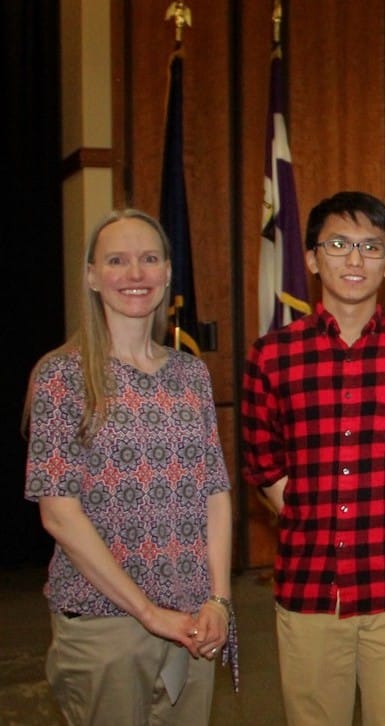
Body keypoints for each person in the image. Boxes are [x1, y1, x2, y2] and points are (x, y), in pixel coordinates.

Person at [241, 191, 385, 725]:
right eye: (338, 244)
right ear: (312, 258)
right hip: (308, 589)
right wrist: (315, 510)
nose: (354, 259)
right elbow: (263, 464)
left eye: (370, 246)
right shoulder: (271, 355)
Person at [24, 209, 235, 724]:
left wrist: (221, 601)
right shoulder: (62, 376)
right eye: (116, 261)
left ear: (166, 273)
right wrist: (147, 612)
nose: (134, 274)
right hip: (107, 627)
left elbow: (214, 493)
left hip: (193, 624)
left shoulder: (190, 374)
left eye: (148, 259)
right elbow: (58, 515)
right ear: (93, 275)